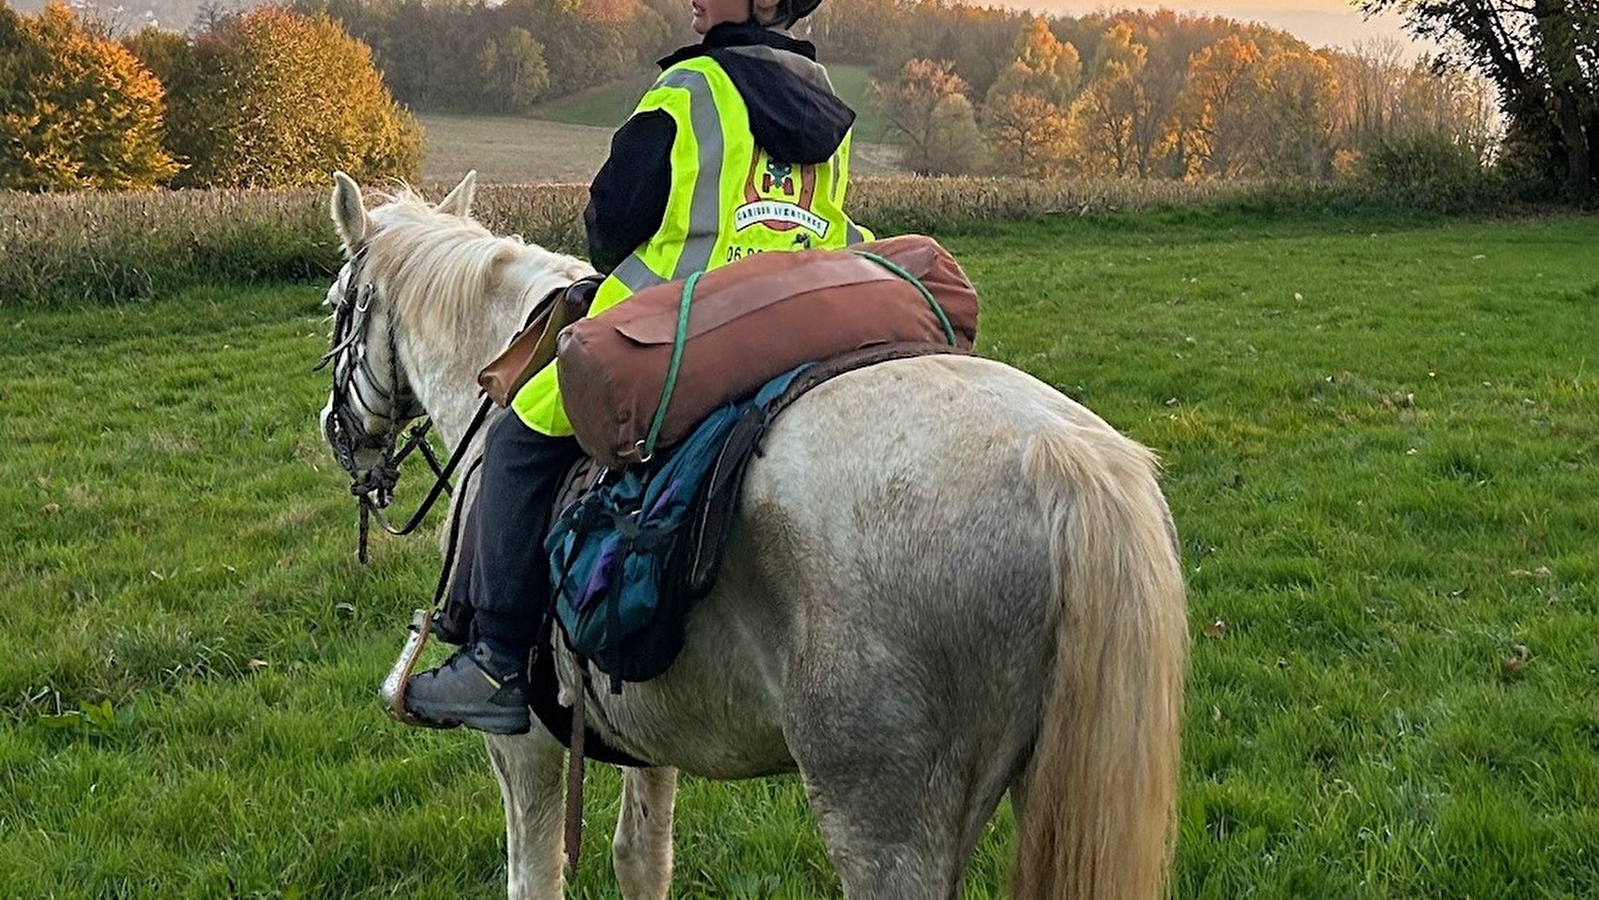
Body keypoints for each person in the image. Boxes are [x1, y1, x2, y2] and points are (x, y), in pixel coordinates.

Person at [403, 0, 873, 734]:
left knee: (517, 438)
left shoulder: (689, 90)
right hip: (794, 329)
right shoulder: (828, 100)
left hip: (675, 334)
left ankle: (492, 660)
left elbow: (609, 226)